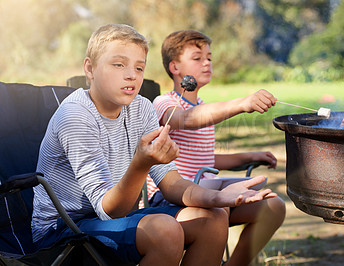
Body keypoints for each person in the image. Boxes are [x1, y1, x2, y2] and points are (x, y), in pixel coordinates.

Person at [31, 24, 277, 266]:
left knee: (212, 218)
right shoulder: (76, 115)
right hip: (62, 229)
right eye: (118, 64)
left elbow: (171, 183)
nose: (131, 75)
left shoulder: (141, 108)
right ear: (90, 68)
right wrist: (141, 163)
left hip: (112, 220)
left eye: (139, 67)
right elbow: (110, 210)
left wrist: (220, 197)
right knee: (165, 230)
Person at [147, 29, 286, 266]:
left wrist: (250, 156)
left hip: (208, 194)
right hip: (168, 198)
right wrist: (242, 103)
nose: (207, 63)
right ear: (175, 68)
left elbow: (205, 158)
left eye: (209, 58)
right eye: (197, 58)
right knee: (218, 213)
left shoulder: (203, 107)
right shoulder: (164, 103)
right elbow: (186, 119)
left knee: (274, 206)